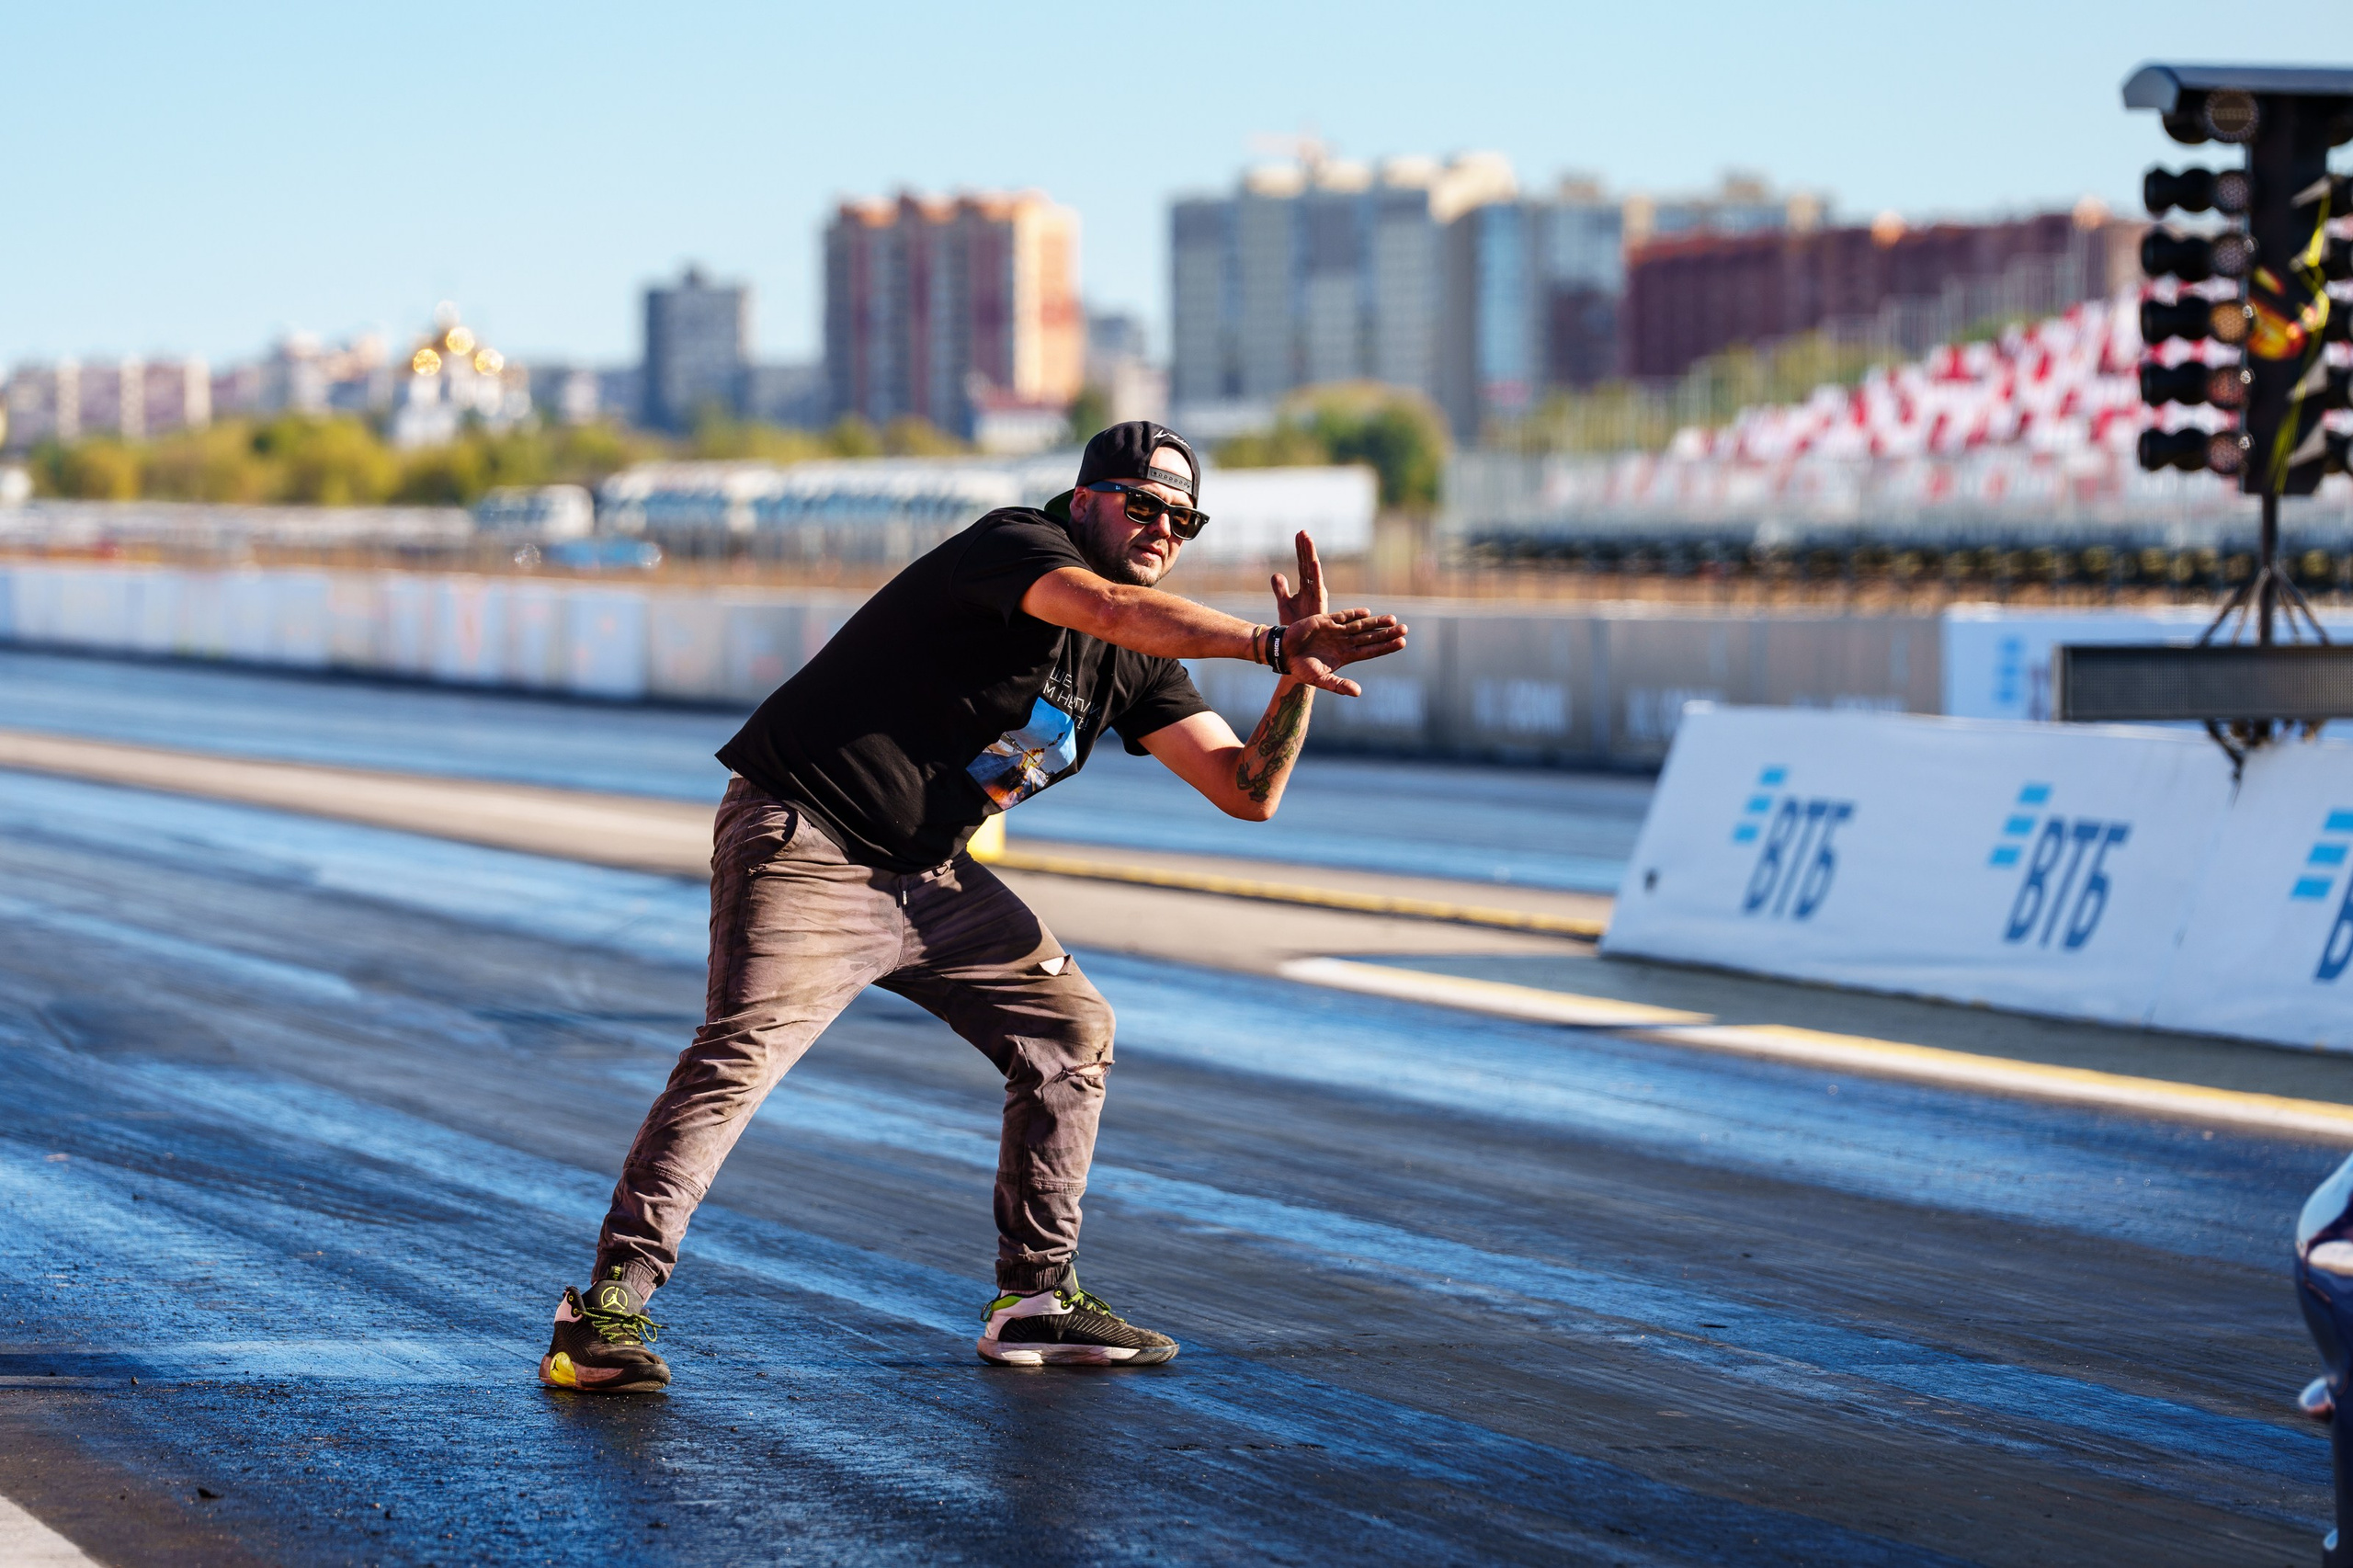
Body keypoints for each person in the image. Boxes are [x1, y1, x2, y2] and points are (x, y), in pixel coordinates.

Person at [540, 421, 1407, 1391]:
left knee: (1070, 1027)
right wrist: (1268, 638)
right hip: (810, 838)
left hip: (929, 876)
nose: (1164, 525)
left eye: (1184, 516)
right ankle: (603, 1308)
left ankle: (1035, 1295)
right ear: (1082, 501)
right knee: (740, 1054)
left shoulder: (1140, 663)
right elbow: (1109, 607)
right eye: (1143, 502)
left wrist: (1292, 680)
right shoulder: (1016, 546)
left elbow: (1247, 788)